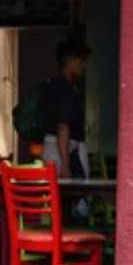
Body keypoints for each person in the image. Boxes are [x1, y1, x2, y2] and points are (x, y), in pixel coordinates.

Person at [43, 40, 91, 180]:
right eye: (81, 61)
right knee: (76, 198)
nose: (84, 66)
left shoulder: (52, 86)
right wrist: (65, 164)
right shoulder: (65, 89)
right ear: (71, 61)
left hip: (52, 150)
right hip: (65, 152)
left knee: (59, 199)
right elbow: (63, 127)